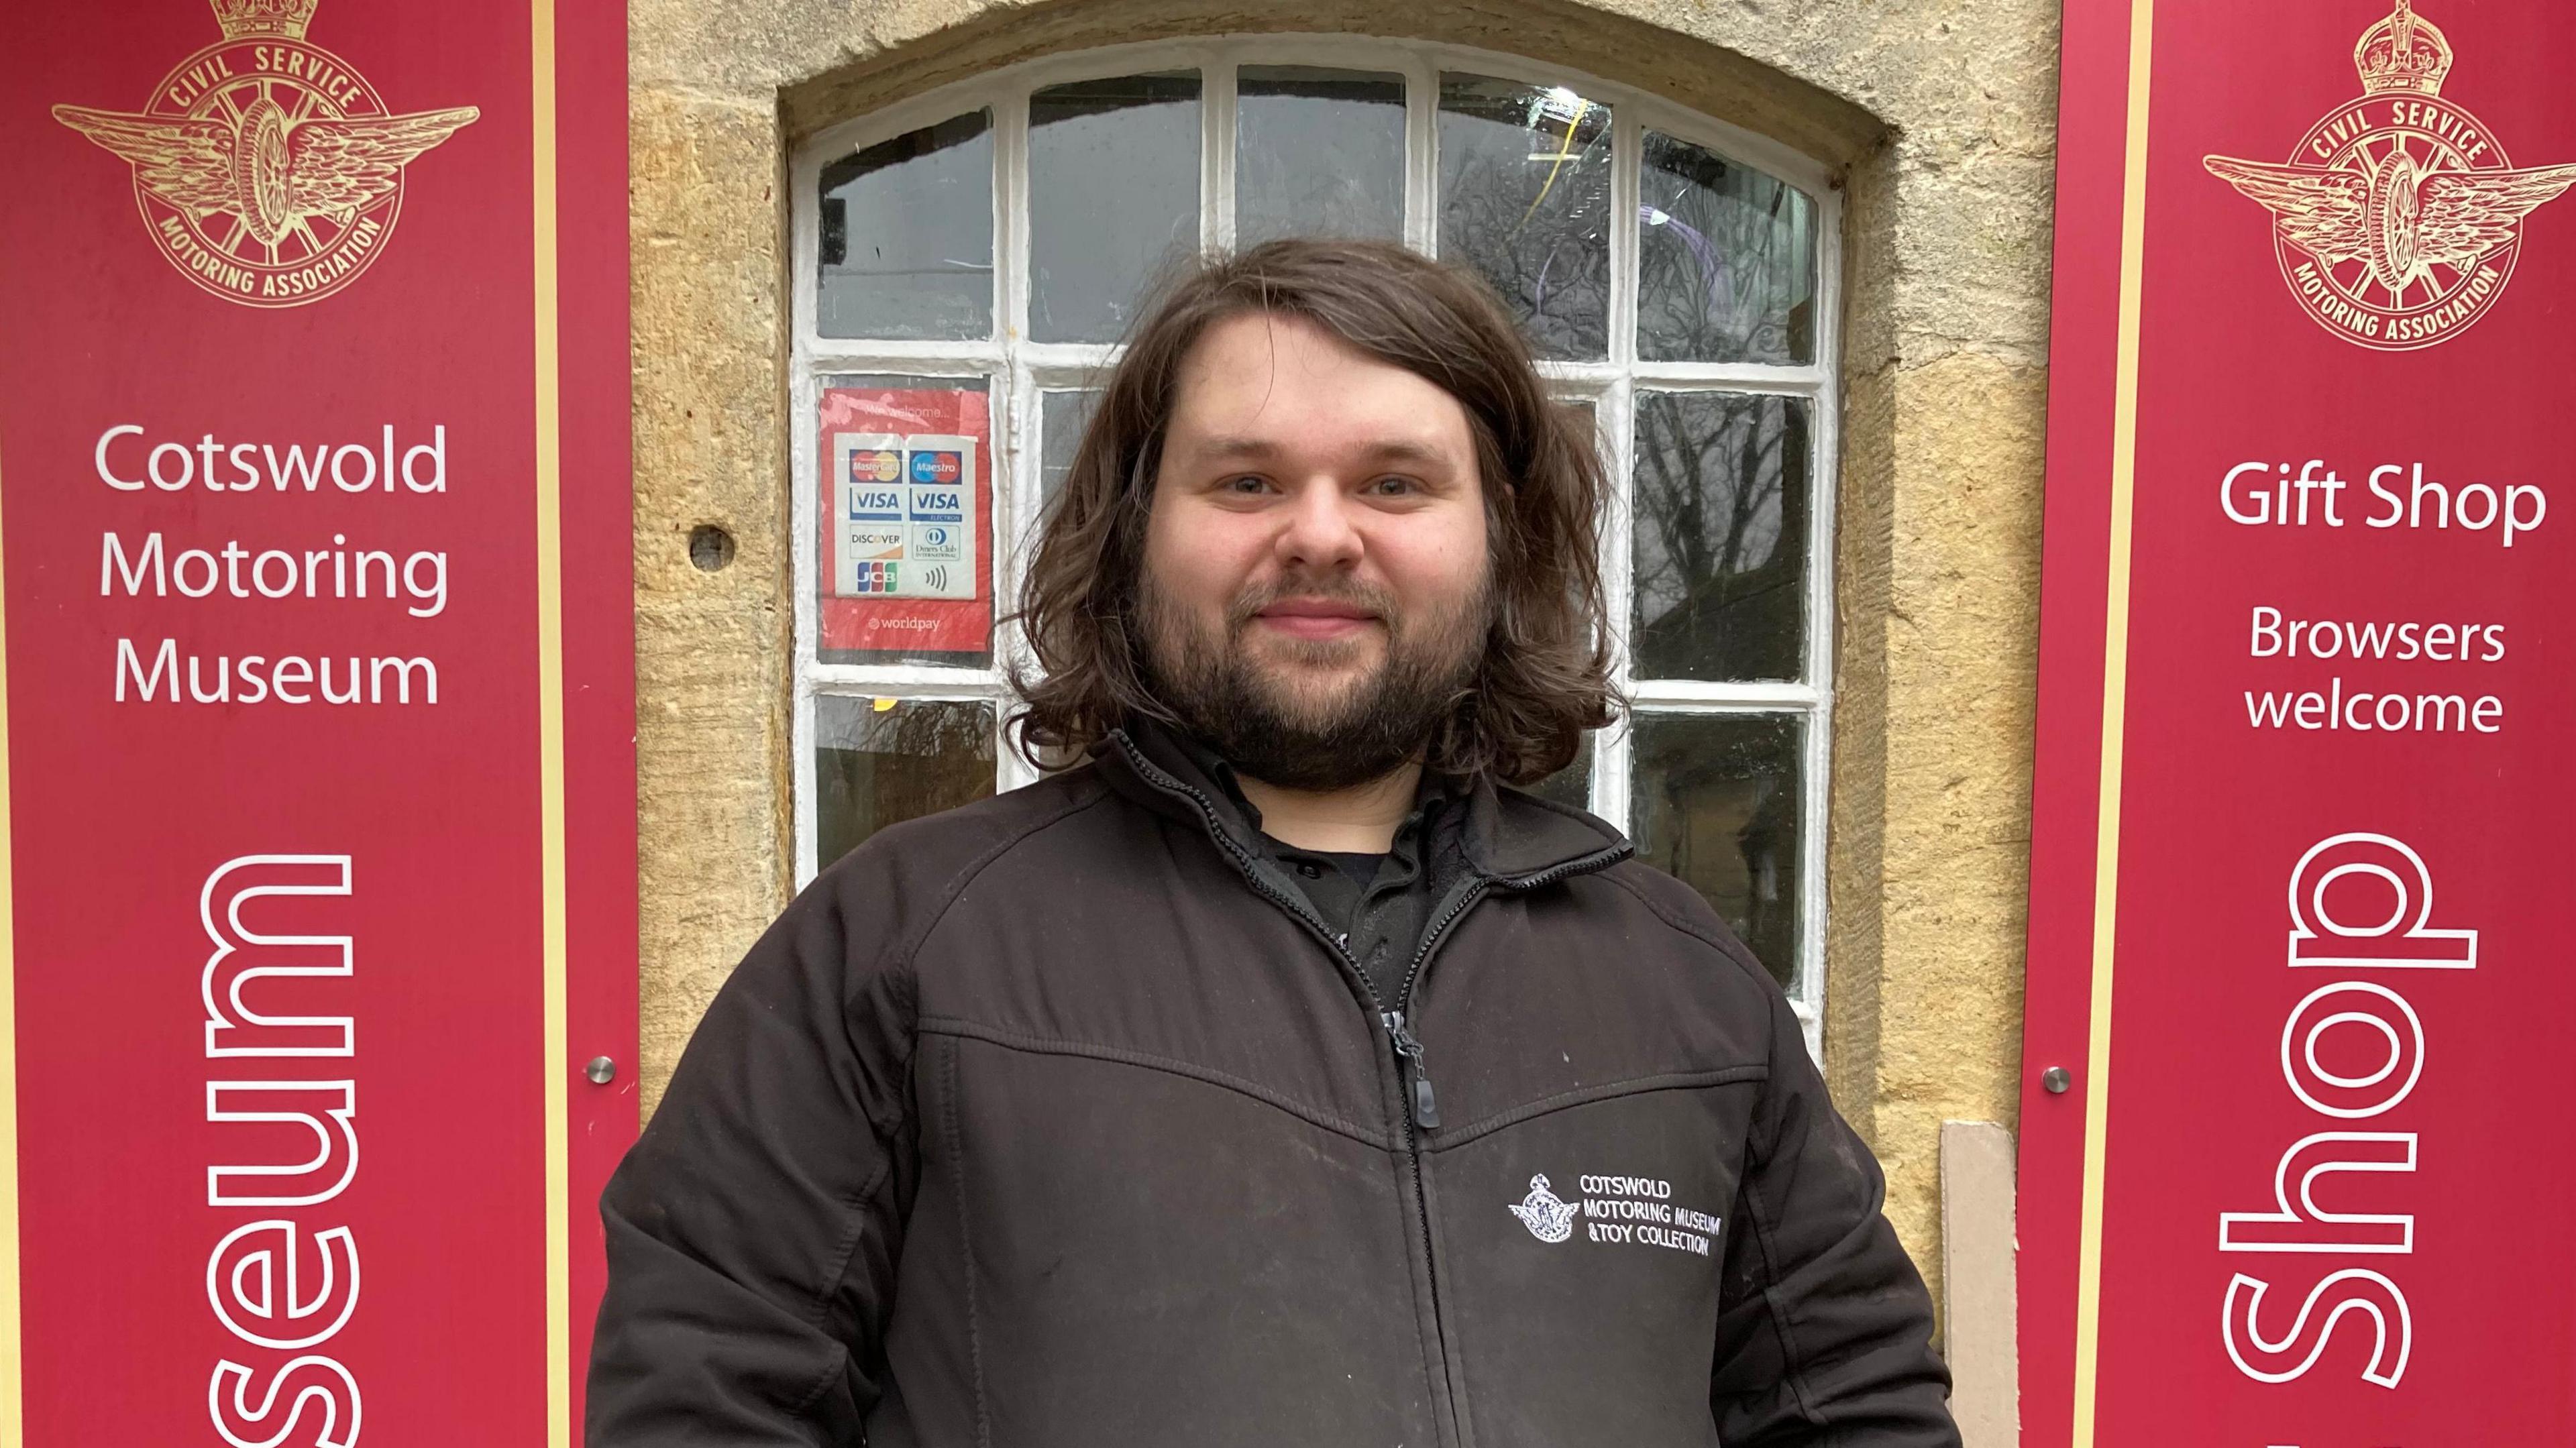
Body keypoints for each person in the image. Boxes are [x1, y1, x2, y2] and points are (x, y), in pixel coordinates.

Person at [588, 237, 1958, 1446]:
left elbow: (1851, 1404)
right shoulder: (899, 948)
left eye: (1396, 484)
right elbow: (707, 1399)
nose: (1319, 535)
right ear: (1133, 538)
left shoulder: (1680, 981)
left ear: (1500, 545)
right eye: (1245, 482)